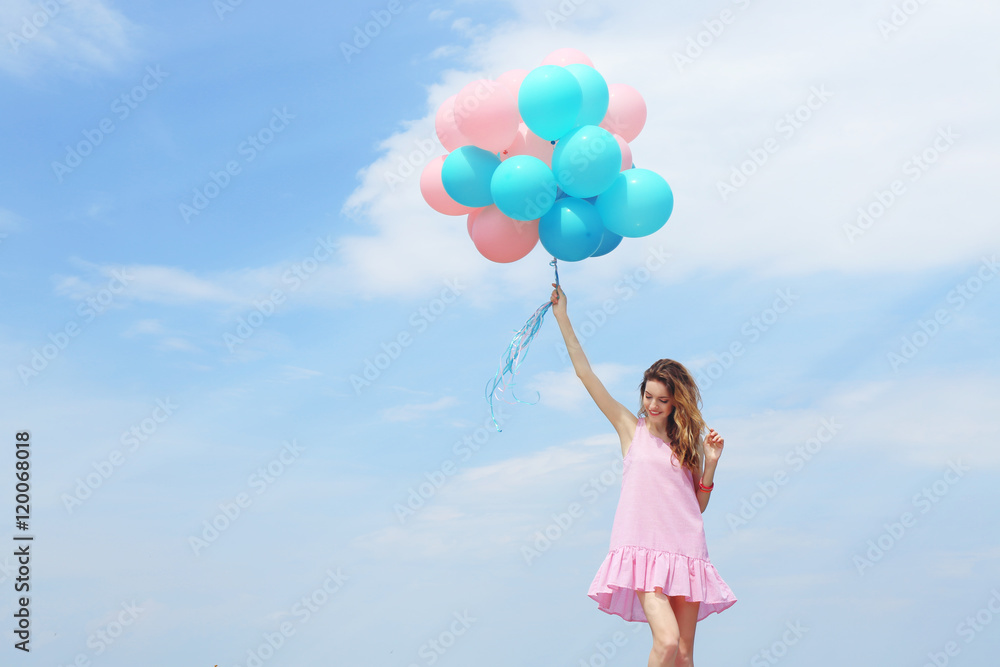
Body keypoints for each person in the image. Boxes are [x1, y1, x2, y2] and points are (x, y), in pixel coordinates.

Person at [550, 283, 736, 667]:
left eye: (662, 400)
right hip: (642, 550)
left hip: (686, 551)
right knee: (666, 642)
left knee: (684, 656)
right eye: (648, 396)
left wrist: (711, 462)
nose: (652, 405)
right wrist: (562, 316)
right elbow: (586, 375)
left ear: (676, 402)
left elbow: (697, 506)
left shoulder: (686, 444)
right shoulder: (628, 429)